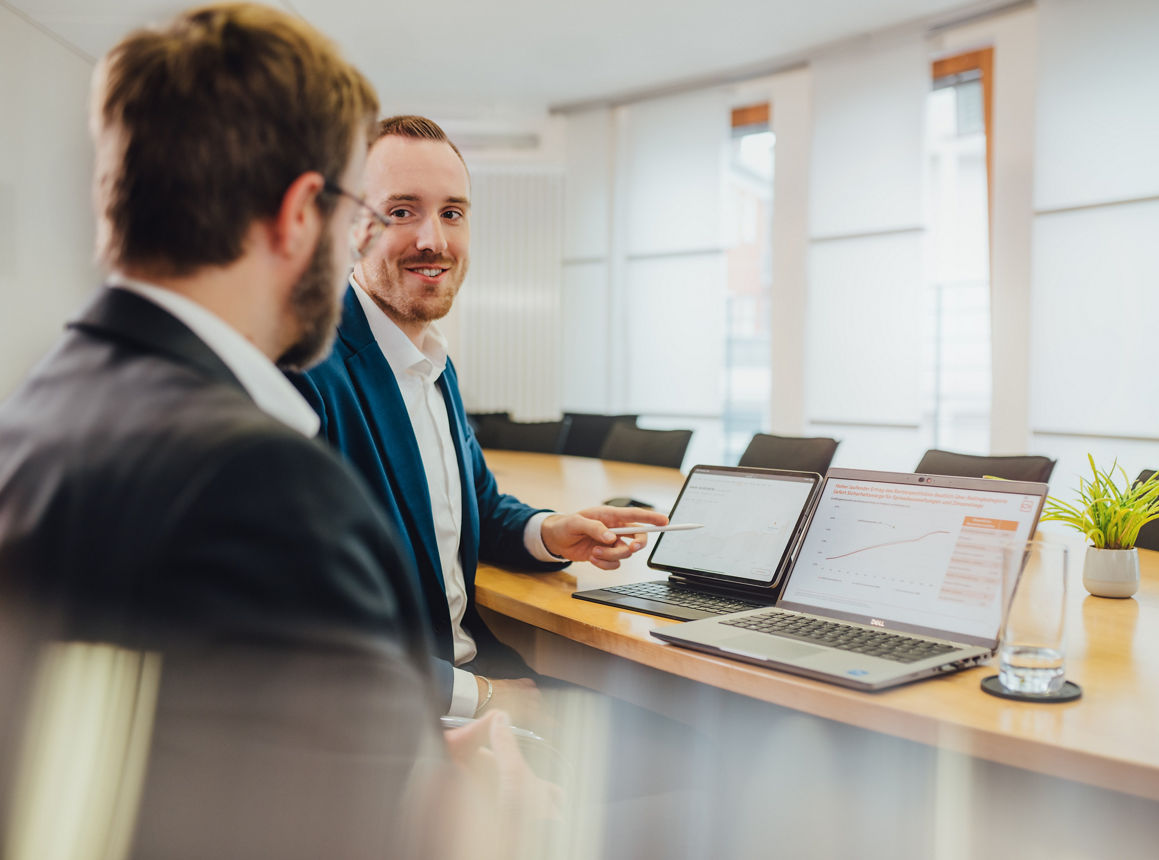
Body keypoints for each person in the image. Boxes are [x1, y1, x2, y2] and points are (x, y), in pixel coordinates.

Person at [0, 7, 549, 858]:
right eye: (358, 210)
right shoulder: (259, 483)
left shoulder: (44, 405)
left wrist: (400, 749)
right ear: (303, 214)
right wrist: (476, 804)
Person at [294, 115, 668, 726]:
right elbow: (301, 619)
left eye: (452, 213)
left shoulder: (431, 363)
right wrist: (481, 700)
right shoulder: (307, 369)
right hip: (401, 715)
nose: (434, 240)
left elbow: (480, 508)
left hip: (476, 672)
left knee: (678, 734)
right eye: (402, 211)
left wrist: (550, 531)